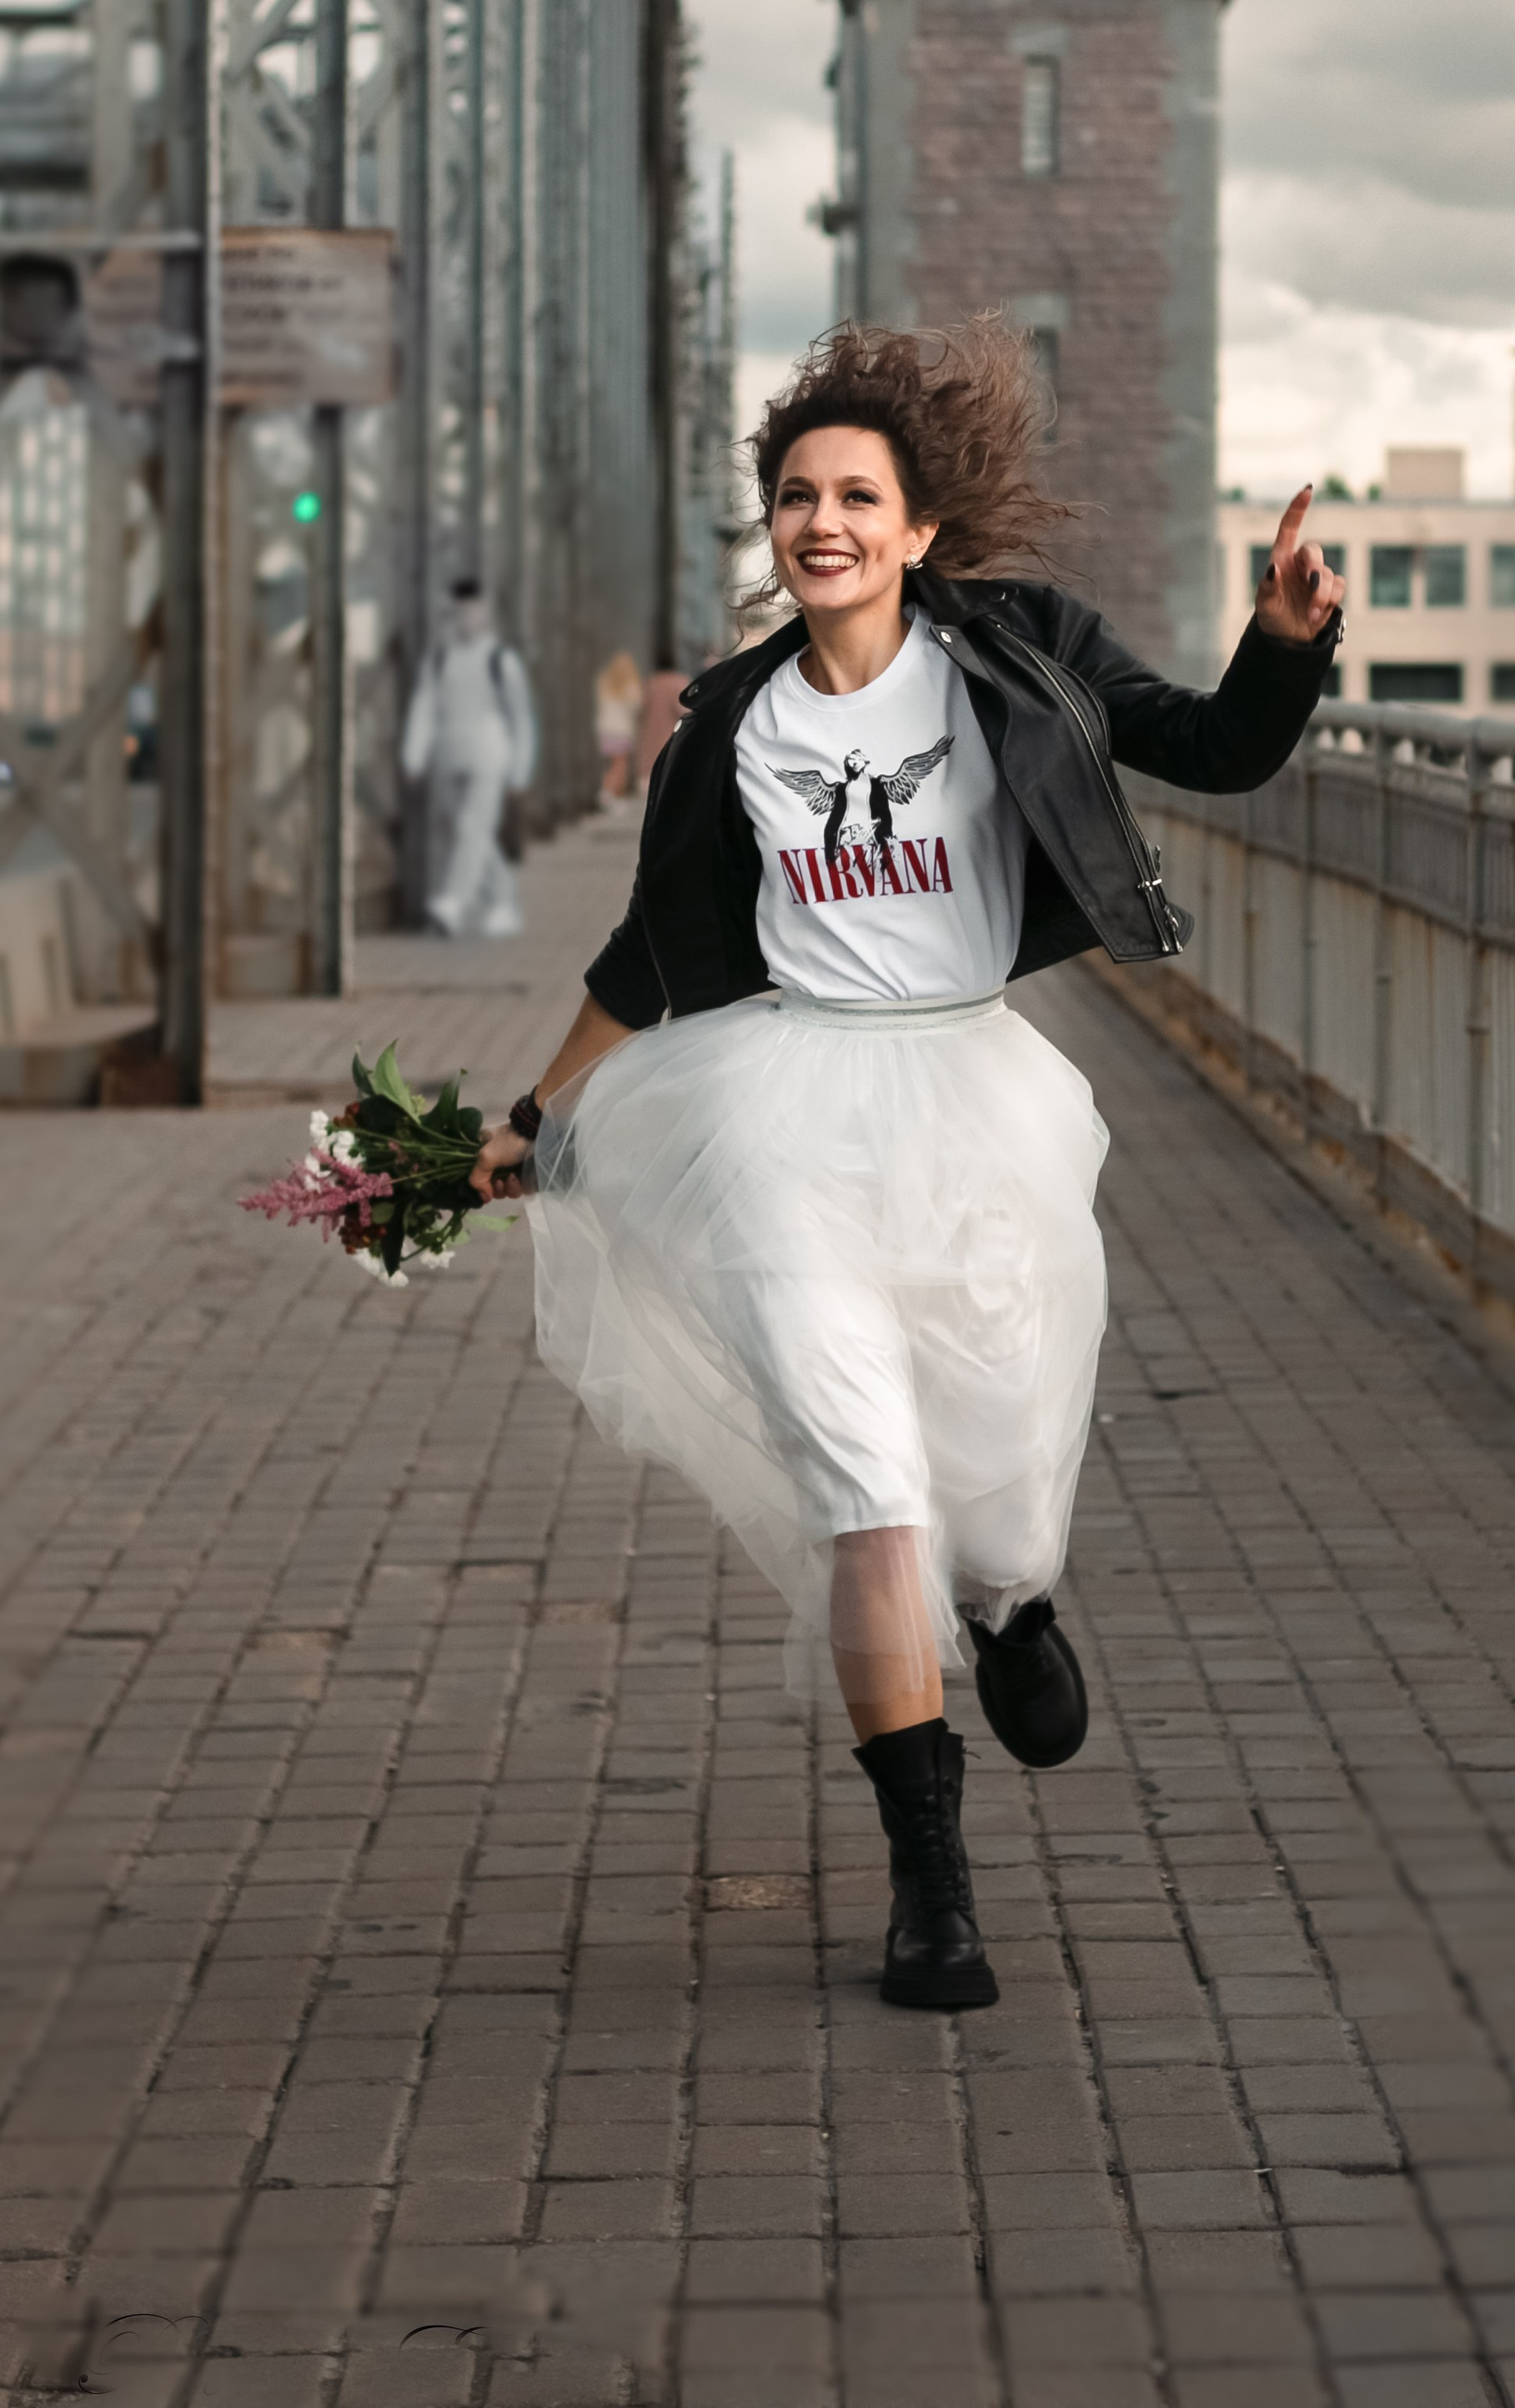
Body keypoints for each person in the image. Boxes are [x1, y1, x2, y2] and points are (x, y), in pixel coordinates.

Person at [471, 319, 1343, 2009]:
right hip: (782, 1121)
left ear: (919, 528)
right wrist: (536, 1111)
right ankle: (929, 1888)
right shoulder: (729, 721)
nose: (824, 523)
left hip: (973, 1103)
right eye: (796, 496)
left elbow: (1216, 749)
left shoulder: (1018, 651)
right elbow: (650, 952)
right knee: (865, 1495)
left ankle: (1014, 1607)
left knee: (998, 1484)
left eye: (857, 496)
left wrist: (1281, 643)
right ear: (774, 527)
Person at [400, 580, 538, 938]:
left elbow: (521, 716)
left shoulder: (501, 659)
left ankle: (452, 904)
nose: (466, 618)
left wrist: (520, 772)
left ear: (485, 611)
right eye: (460, 611)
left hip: (490, 755)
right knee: (466, 830)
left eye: (473, 610)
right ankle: (505, 902)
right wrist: (414, 755)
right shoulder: (440, 657)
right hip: (449, 755)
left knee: (471, 827)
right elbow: (425, 706)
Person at [594, 650, 644, 805]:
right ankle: (609, 794)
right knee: (620, 765)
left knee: (611, 765)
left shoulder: (605, 684)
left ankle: (608, 793)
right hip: (621, 730)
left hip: (605, 729)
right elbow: (636, 706)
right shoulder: (629, 686)